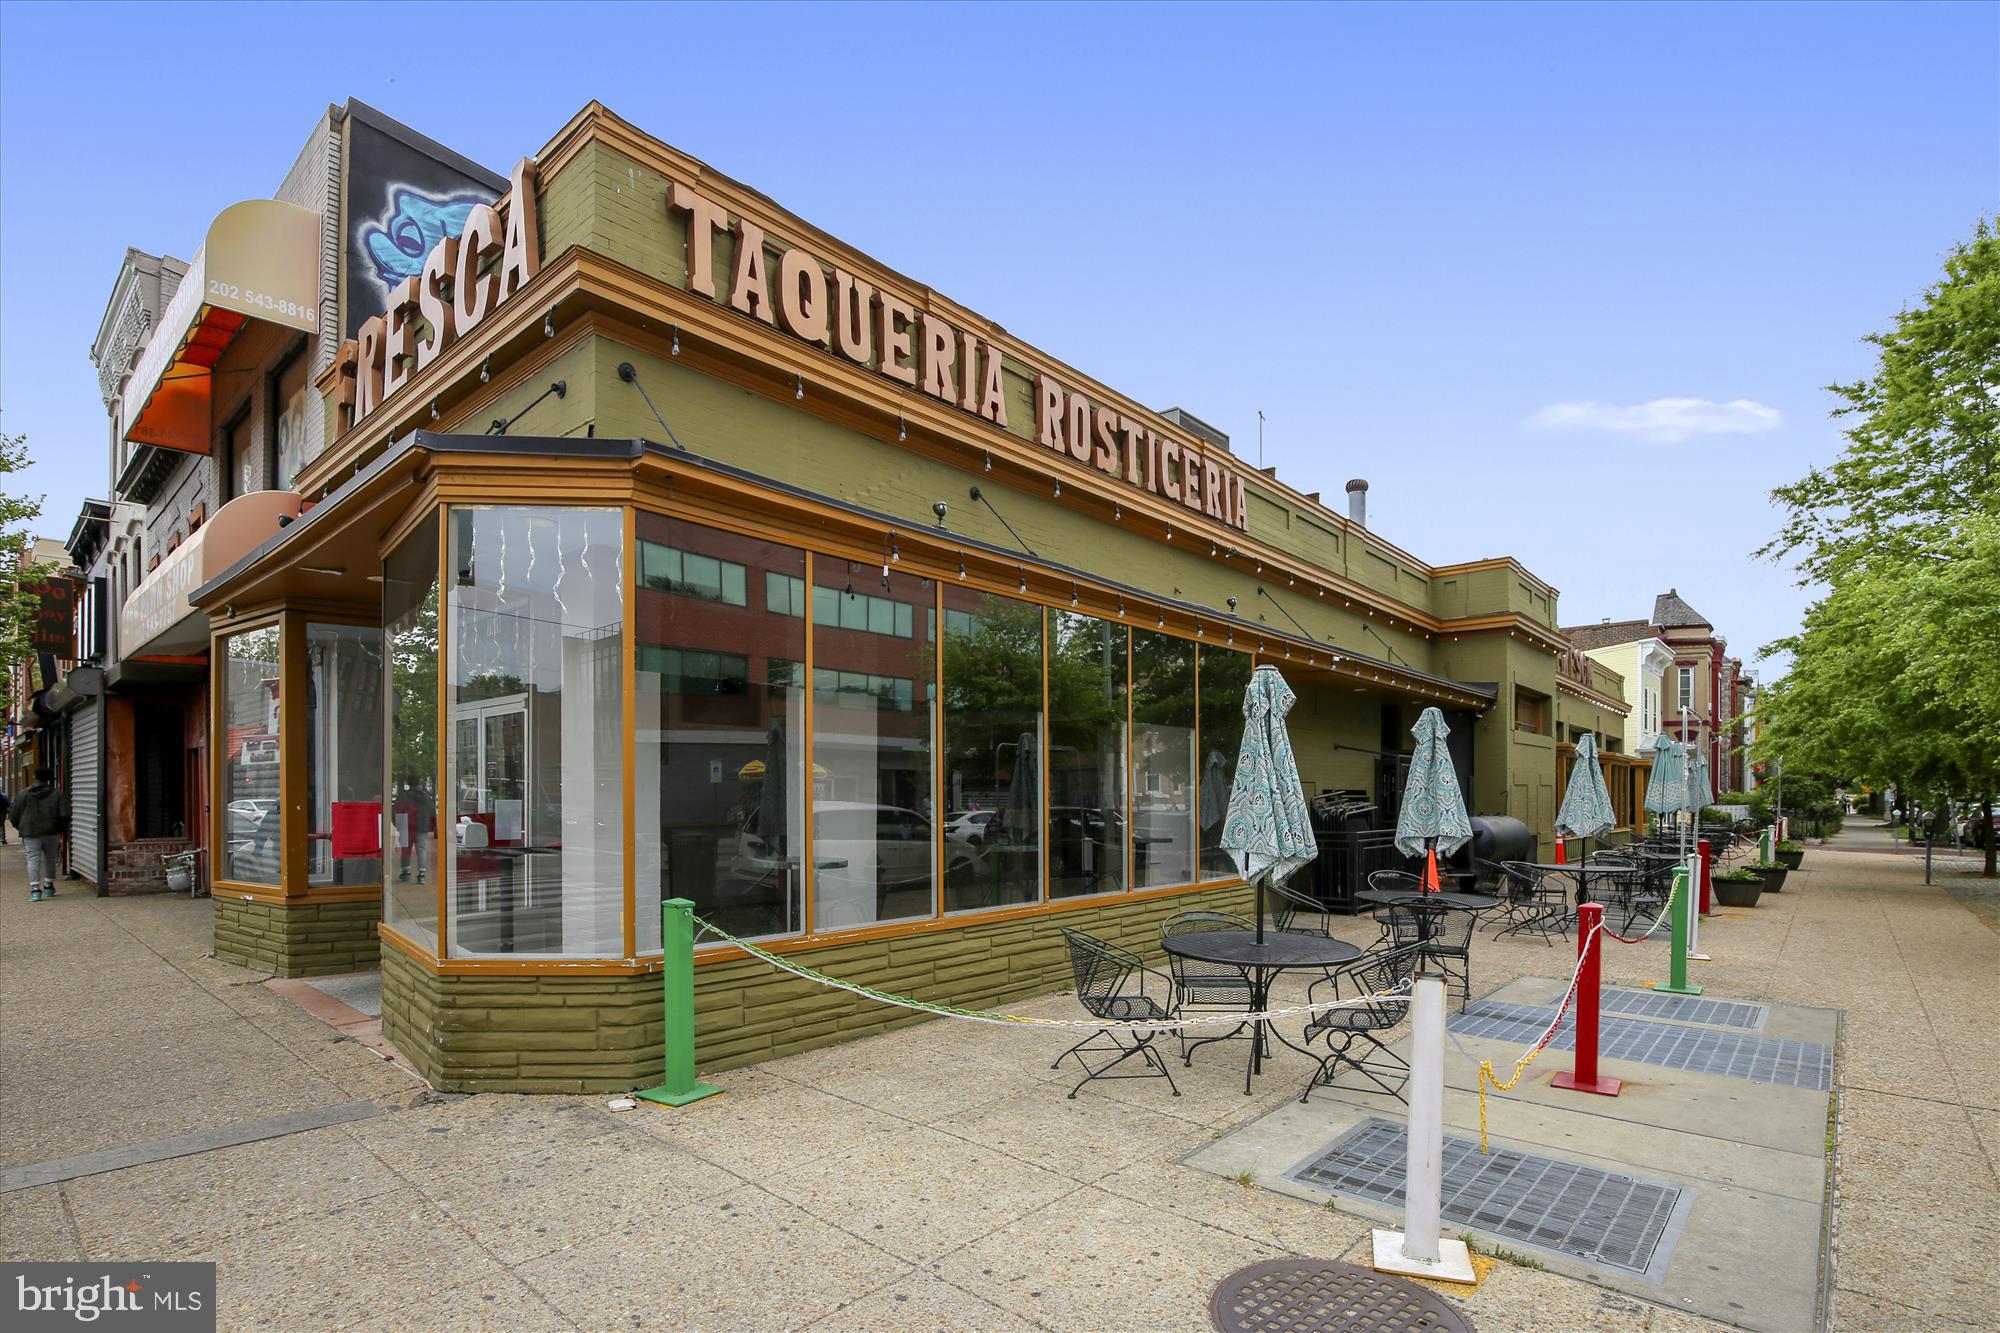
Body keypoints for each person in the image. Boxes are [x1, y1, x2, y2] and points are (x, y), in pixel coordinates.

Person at [9, 767, 66, 901]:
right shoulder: (57, 794)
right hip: (51, 831)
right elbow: (65, 814)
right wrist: (60, 828)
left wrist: (20, 827)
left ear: (35, 777)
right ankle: (49, 886)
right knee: (50, 858)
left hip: (30, 831)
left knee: (33, 858)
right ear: (50, 779)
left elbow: (13, 815)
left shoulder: (23, 794)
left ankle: (35, 890)